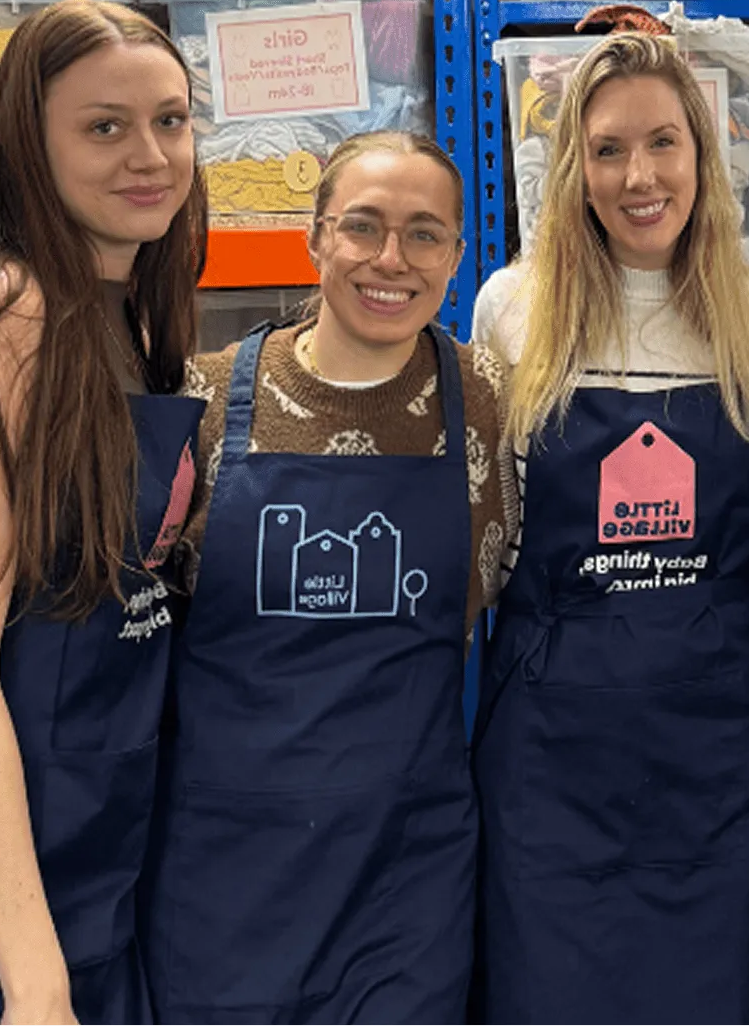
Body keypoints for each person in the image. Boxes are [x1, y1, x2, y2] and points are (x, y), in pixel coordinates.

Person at [470, 27, 749, 1024]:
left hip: (717, 755)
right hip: (551, 754)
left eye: (663, 142)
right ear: (575, 167)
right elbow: (493, 532)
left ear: (704, 155)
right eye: (608, 149)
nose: (638, 175)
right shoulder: (514, 309)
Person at [143, 132, 516, 1023]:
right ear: (315, 238)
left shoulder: (490, 400)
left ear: (459, 257)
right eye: (363, 226)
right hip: (228, 871)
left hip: (405, 875)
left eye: (426, 234)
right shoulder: (204, 401)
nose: (392, 258)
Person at [0, 0, 205, 1026]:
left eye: (172, 121)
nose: (150, 155)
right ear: (29, 143)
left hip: (97, 854)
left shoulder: (135, 314)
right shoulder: (14, 308)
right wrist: (33, 983)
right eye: (104, 126)